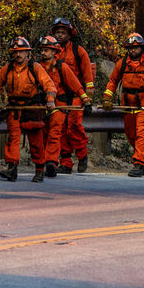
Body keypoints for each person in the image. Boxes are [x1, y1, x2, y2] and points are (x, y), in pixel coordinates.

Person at [0, 37, 57, 182]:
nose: (18, 55)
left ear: (27, 53)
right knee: (13, 139)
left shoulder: (35, 67)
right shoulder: (7, 69)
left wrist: (50, 100)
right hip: (14, 108)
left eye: (22, 52)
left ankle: (39, 170)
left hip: (32, 108)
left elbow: (49, 85)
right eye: (16, 52)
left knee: (36, 141)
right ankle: (12, 168)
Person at [102, 33, 144, 177]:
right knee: (131, 135)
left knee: (142, 134)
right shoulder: (122, 64)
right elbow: (112, 82)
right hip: (127, 104)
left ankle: (137, 163)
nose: (133, 50)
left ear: (142, 47)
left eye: (136, 47)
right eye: (130, 48)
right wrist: (107, 98)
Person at [37, 35, 90, 177]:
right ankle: (43, 162)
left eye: (47, 50)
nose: (44, 53)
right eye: (42, 50)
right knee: (43, 134)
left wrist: (85, 99)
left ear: (55, 52)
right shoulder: (36, 68)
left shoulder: (62, 67)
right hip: (42, 105)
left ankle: (51, 162)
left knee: (55, 132)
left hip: (59, 104)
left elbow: (75, 85)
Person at [50, 18, 95, 172]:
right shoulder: (50, 52)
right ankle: (66, 162)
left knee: (74, 127)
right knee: (60, 128)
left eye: (63, 32)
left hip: (77, 94)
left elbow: (88, 77)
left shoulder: (78, 51)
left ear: (69, 34)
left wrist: (88, 100)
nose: (60, 35)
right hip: (60, 96)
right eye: (57, 32)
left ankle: (82, 155)